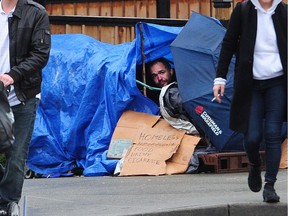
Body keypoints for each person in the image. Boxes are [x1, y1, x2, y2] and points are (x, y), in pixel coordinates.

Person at [213, 0, 287, 203]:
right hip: (251, 85)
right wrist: (220, 78)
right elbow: (228, 44)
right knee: (253, 136)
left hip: (277, 83)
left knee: (273, 133)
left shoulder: (284, 12)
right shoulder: (243, 11)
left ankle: (269, 185)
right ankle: (254, 164)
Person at [0, 0, 51, 213]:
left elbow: (40, 54)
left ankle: (6, 204)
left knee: (17, 154)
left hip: (22, 95)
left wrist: (13, 75)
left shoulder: (36, 13)